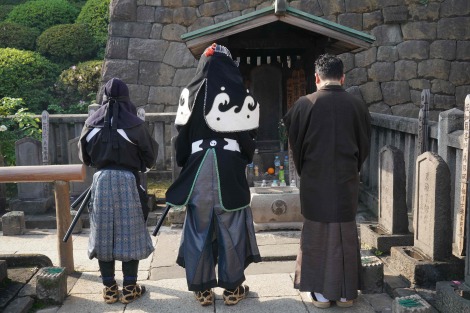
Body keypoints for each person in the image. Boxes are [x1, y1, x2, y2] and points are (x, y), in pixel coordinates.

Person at [165, 43, 261, 306]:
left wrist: (188, 161)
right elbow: (247, 136)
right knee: (231, 227)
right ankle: (232, 289)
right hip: (228, 165)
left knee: (199, 225)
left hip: (198, 166)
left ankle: (202, 289)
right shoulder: (238, 93)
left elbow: (180, 139)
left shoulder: (190, 93)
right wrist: (242, 158)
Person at [283, 54, 371, 308]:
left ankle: (321, 294)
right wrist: (350, 170)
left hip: (314, 181)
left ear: (316, 77)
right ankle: (346, 294)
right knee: (344, 233)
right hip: (346, 181)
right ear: (342, 78)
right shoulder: (357, 106)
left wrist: (306, 171)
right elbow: (363, 147)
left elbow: (295, 147)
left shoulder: (304, 104)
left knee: (317, 235)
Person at [78, 78, 158, 304]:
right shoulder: (135, 125)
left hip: (101, 180)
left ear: (103, 97)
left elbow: (85, 157)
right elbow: (149, 156)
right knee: (130, 233)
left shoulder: (91, 124)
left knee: (103, 234)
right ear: (127, 97)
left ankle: (110, 288)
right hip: (128, 181)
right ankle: (130, 287)